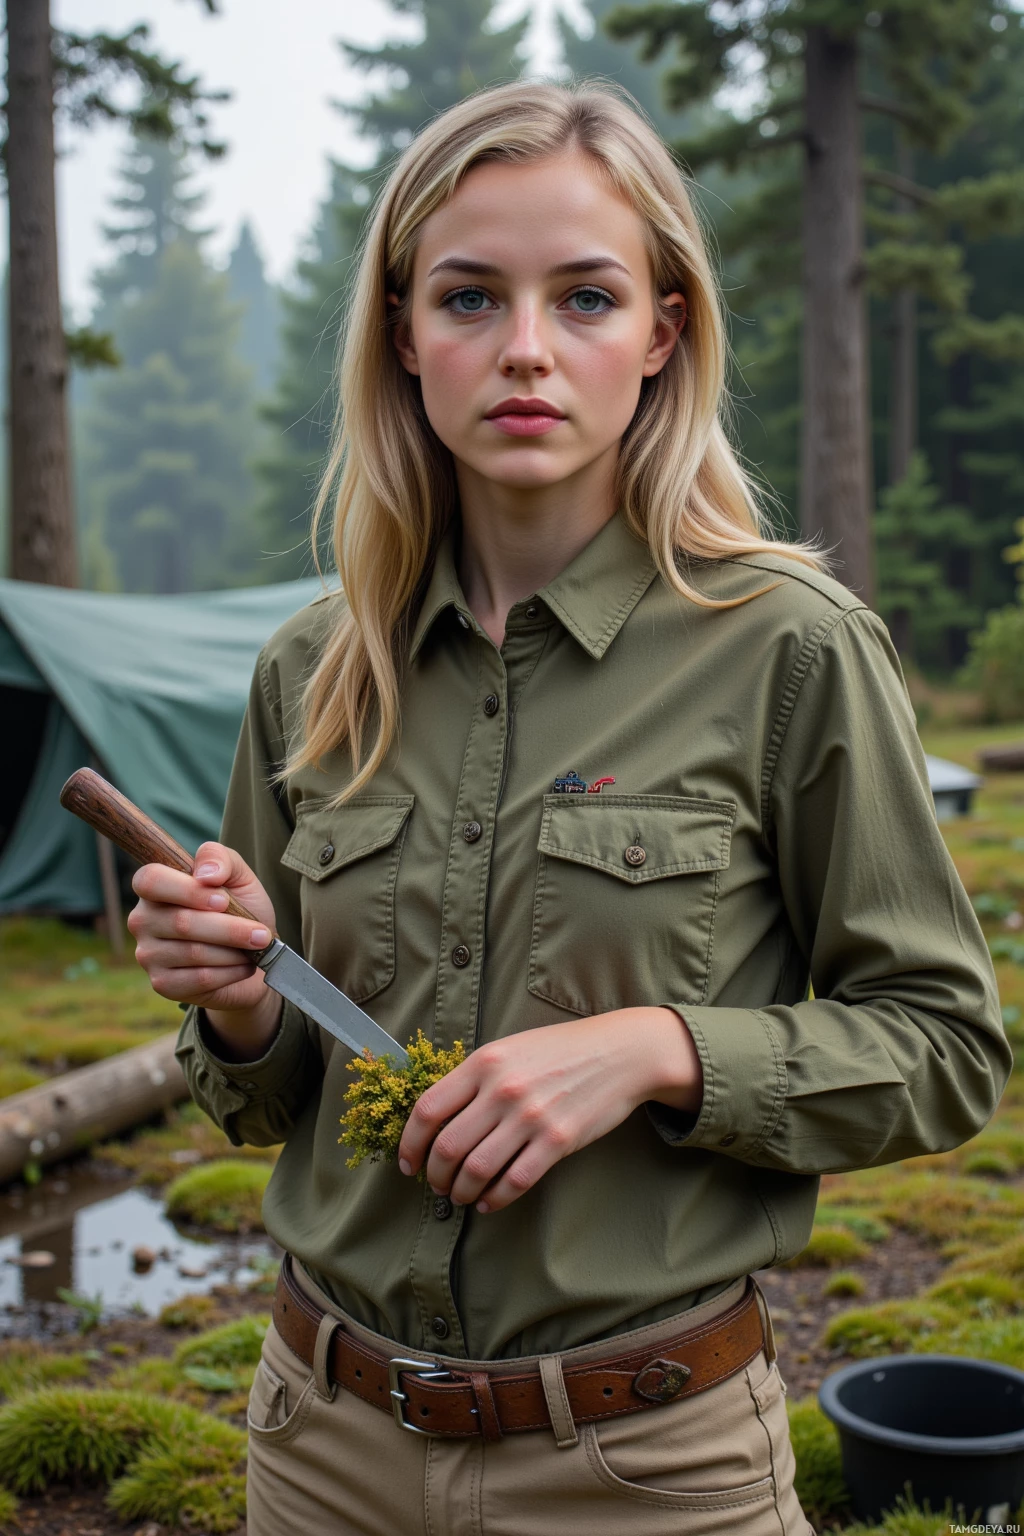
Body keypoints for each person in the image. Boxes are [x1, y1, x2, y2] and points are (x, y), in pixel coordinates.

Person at [127, 81, 1009, 1536]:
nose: (525, 349)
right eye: (470, 297)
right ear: (404, 334)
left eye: (585, 297)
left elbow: (945, 1048)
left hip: (647, 1469)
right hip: (319, 1446)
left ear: (663, 331)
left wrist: (658, 1048)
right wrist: (237, 1005)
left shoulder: (788, 646)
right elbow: (270, 1100)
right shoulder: (309, 671)